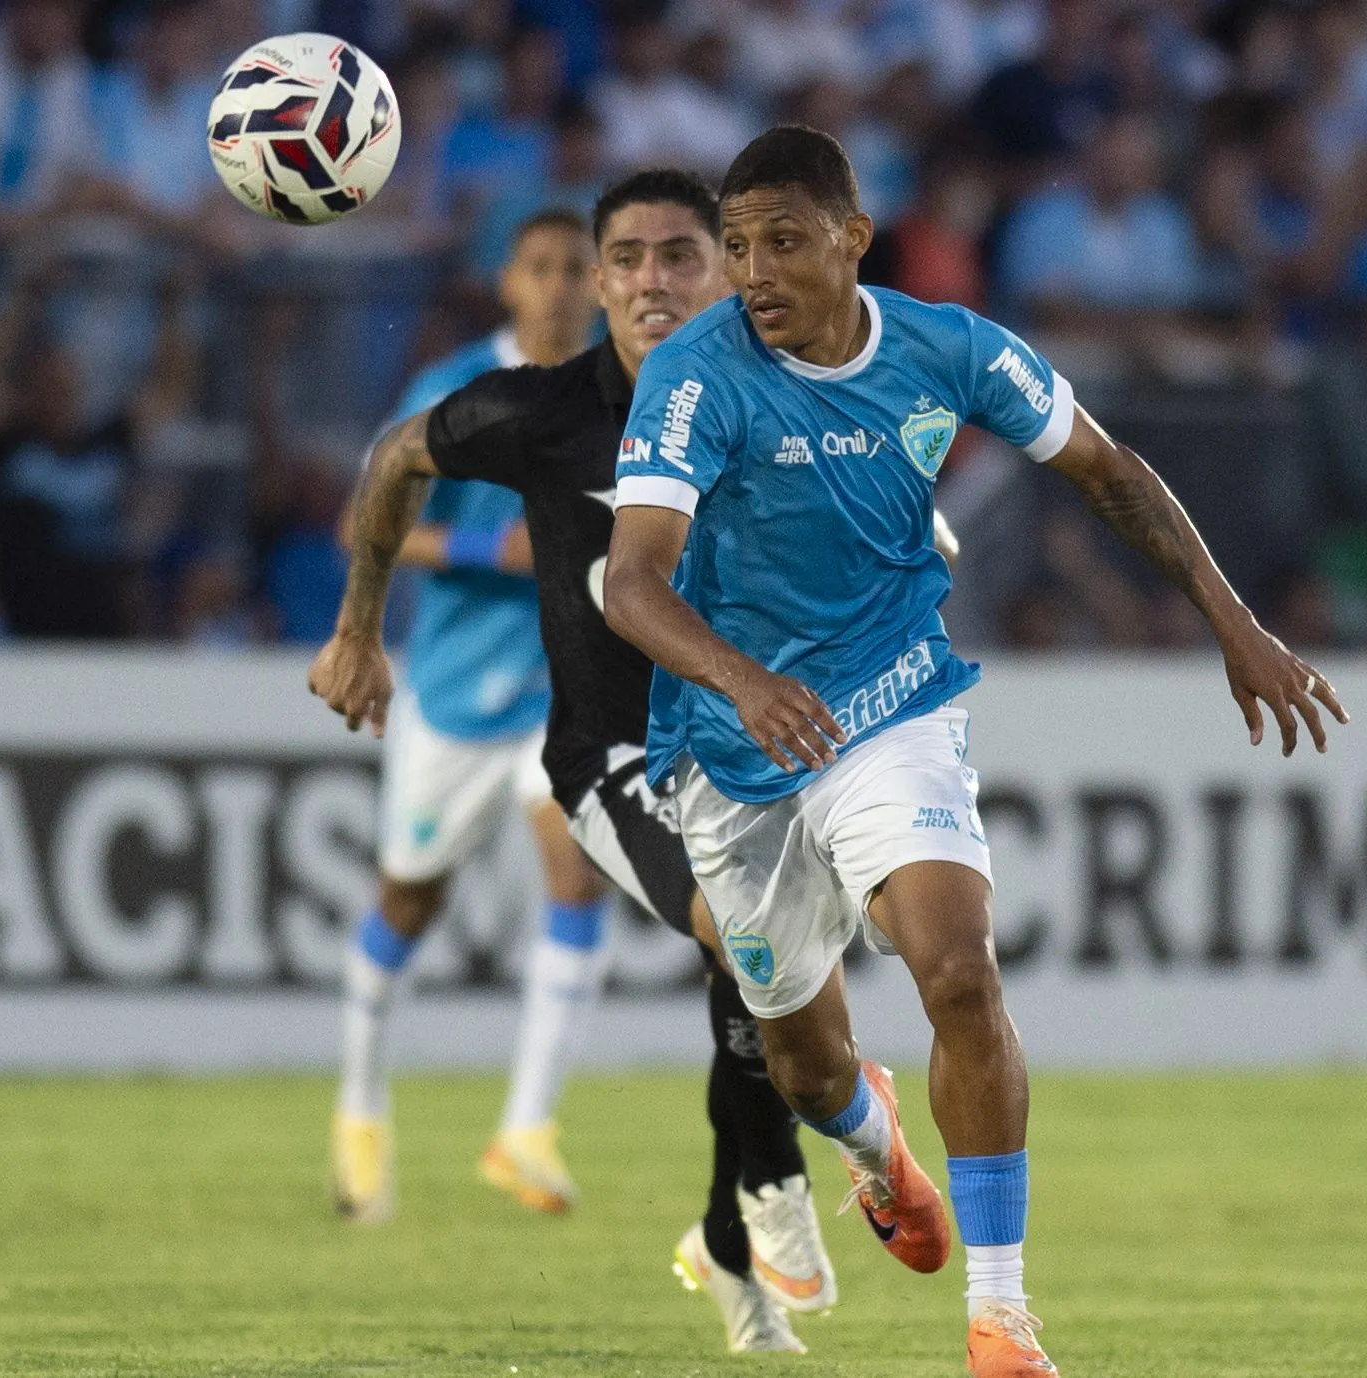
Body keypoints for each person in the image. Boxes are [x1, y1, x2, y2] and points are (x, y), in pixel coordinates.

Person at [600, 126, 1344, 1378]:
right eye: (734, 249)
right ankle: (870, 1140)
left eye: (781, 240)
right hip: (731, 742)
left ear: (851, 238)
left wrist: (1235, 624)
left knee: (956, 966)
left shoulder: (947, 348)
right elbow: (629, 582)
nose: (753, 272)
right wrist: (740, 678)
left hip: (889, 703)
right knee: (800, 1054)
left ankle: (1000, 1318)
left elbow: (1110, 474)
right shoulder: (692, 375)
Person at [314, 170, 926, 1354]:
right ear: (597, 283)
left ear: (727, 267)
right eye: (629, 257)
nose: (654, 279)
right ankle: (772, 1195)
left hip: (751, 749)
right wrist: (355, 631)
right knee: (729, 934)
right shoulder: (545, 412)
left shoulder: (786, 397)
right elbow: (392, 459)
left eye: (680, 255)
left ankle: (723, 1238)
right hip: (609, 756)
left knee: (756, 980)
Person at [327, 208, 610, 1223]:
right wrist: (497, 556)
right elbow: (364, 518)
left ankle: (526, 1128)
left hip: (560, 692)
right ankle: (359, 1109)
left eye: (578, 267)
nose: (561, 287)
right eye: (541, 268)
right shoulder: (454, 390)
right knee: (407, 902)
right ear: (507, 283)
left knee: (577, 874)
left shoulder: (622, 391)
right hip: (451, 696)